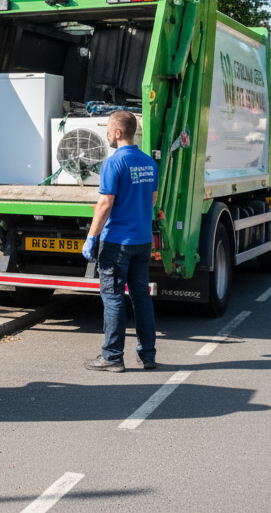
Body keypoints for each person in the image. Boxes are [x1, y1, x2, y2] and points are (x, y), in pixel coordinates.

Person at [82, 109, 159, 372]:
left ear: (118, 132)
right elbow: (152, 201)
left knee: (113, 297)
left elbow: (104, 203)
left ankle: (113, 356)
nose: (107, 138)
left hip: (117, 242)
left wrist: (92, 237)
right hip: (142, 240)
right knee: (141, 298)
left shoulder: (113, 163)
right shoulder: (149, 163)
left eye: (107, 133)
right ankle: (148, 355)